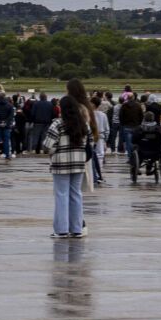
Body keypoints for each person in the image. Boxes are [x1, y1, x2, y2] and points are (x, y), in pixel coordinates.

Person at [45, 93, 92, 239]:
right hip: (78, 163)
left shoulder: (57, 124)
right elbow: (89, 142)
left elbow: (47, 145)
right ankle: (77, 228)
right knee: (76, 194)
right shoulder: (83, 124)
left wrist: (53, 153)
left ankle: (61, 229)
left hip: (61, 163)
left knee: (61, 195)